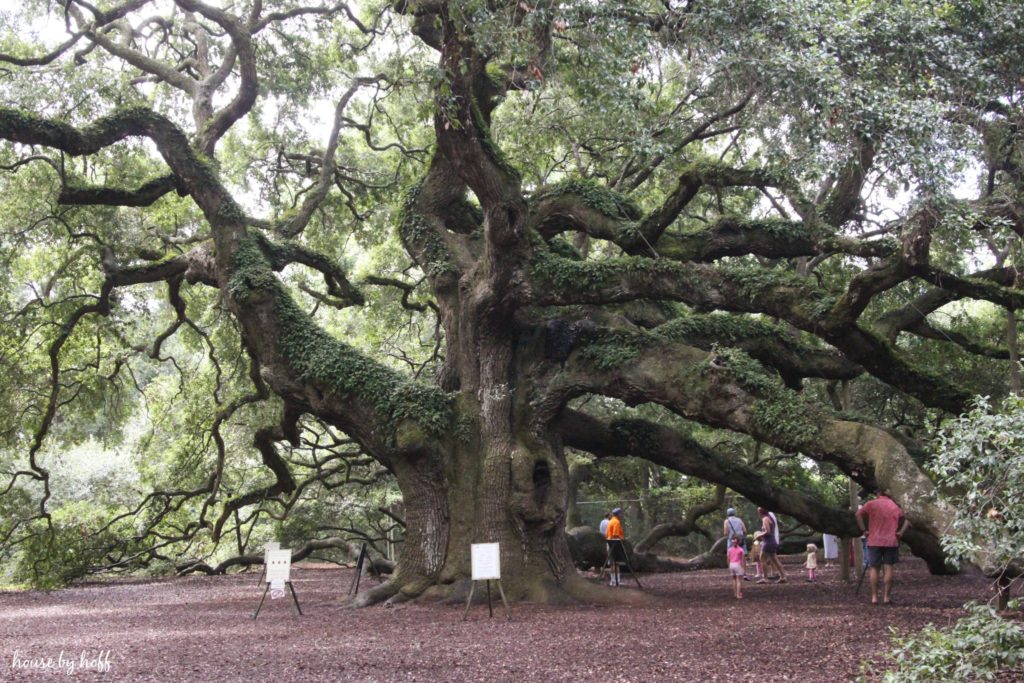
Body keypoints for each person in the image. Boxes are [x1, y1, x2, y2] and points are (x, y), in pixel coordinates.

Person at [856, 490, 909, 605]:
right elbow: (908, 518)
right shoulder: (894, 505)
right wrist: (901, 532)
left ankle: (874, 597)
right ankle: (886, 597)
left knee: (874, 568)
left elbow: (858, 514)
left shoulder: (871, 504)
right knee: (888, 567)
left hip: (874, 540)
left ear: (878, 493)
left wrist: (863, 530)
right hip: (891, 541)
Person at [756, 507, 787, 583]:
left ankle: (765, 578)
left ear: (760, 512)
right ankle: (783, 576)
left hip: (768, 541)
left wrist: (759, 535)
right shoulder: (770, 517)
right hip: (772, 541)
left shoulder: (765, 519)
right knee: (775, 559)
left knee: (762, 558)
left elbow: (768, 531)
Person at [722, 508, 749, 577]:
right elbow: (745, 531)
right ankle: (744, 573)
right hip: (741, 540)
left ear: (728, 514)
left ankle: (734, 572)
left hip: (732, 541)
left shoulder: (726, 521)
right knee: (742, 556)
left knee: (731, 556)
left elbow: (725, 533)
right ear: (734, 513)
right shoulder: (739, 520)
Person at [606, 507, 626, 587]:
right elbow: (615, 535)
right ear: (618, 514)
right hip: (614, 544)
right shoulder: (616, 522)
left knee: (614, 564)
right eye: (621, 513)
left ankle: (615, 581)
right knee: (615, 563)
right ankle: (614, 581)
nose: (621, 515)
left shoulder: (611, 521)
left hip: (610, 544)